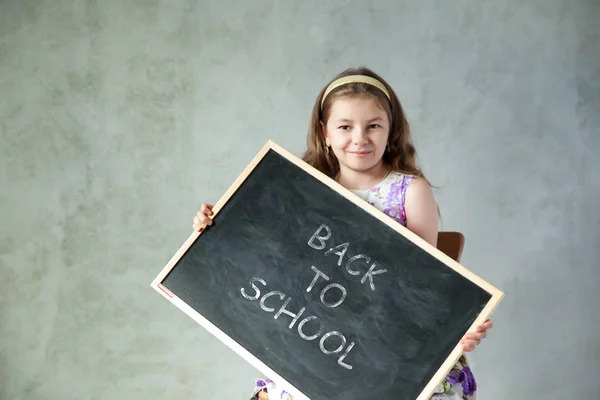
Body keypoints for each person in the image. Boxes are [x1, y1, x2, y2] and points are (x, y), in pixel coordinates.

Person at [192, 67, 493, 400]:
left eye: (373, 126)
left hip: (388, 348)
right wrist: (213, 228)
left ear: (390, 130)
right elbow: (262, 258)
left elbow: (424, 288)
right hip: (318, 341)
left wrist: (460, 329)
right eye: (345, 127)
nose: (360, 138)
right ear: (325, 133)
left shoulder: (410, 191)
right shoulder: (296, 185)